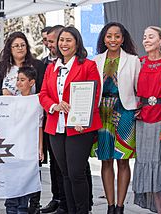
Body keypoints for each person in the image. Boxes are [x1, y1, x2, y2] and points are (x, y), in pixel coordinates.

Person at [39, 26, 102, 214]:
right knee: (65, 174)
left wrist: (83, 116)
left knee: (76, 174)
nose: (64, 44)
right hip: (55, 126)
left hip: (79, 126)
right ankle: (71, 210)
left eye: (68, 40)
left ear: (77, 43)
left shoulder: (88, 66)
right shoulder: (51, 68)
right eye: (61, 40)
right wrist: (54, 105)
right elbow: (43, 94)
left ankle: (84, 210)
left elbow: (94, 94)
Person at [0, 31, 46, 213]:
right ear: (9, 49)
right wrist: (2, 93)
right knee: (12, 164)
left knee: (31, 165)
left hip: (32, 122)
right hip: (8, 125)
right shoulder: (2, 68)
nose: (20, 48)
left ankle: (33, 203)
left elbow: (45, 89)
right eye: (16, 45)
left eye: (22, 45)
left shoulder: (37, 65)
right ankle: (12, 204)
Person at [91, 22, 140, 214]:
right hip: (102, 112)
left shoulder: (134, 60)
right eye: (109, 36)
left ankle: (120, 206)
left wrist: (139, 107)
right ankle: (110, 206)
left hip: (125, 112)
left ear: (123, 38)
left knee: (123, 160)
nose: (113, 40)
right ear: (103, 38)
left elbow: (139, 88)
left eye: (117, 36)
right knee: (105, 160)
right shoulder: (96, 61)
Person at [132, 26, 161, 214]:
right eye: (144, 36)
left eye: (151, 37)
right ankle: (159, 210)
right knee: (147, 163)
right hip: (142, 119)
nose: (146, 40)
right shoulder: (139, 63)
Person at [4, 66, 44, 214]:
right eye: (17, 80)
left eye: (22, 80)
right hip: (13, 146)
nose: (19, 83)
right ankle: (11, 209)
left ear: (32, 82)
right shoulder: (12, 101)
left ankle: (22, 208)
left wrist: (40, 148)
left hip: (28, 147)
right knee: (12, 180)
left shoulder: (37, 101)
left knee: (25, 181)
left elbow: (39, 125)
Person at [40, 25, 68, 214]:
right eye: (48, 42)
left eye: (52, 41)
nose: (50, 45)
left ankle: (75, 203)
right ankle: (58, 198)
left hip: (72, 121)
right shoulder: (46, 64)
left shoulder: (81, 63)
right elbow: (44, 92)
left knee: (72, 167)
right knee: (56, 164)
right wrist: (52, 105)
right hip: (51, 118)